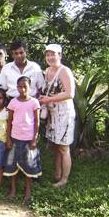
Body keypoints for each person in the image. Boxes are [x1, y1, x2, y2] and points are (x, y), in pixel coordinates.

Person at [39, 44, 76, 188]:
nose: (50, 57)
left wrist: (49, 99)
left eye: (53, 54)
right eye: (47, 55)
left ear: (59, 55)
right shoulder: (48, 70)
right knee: (55, 145)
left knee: (63, 147)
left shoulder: (64, 71)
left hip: (64, 113)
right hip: (52, 113)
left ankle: (64, 179)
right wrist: (45, 98)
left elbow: (69, 93)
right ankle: (57, 173)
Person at [4, 76, 41, 204]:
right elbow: (9, 122)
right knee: (12, 165)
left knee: (28, 166)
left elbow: (37, 122)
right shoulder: (13, 102)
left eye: (25, 86)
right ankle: (13, 189)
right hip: (15, 138)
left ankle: (28, 191)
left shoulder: (34, 102)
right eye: (20, 86)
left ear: (30, 87)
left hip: (28, 139)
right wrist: (8, 138)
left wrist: (34, 139)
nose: (22, 89)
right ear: (17, 87)